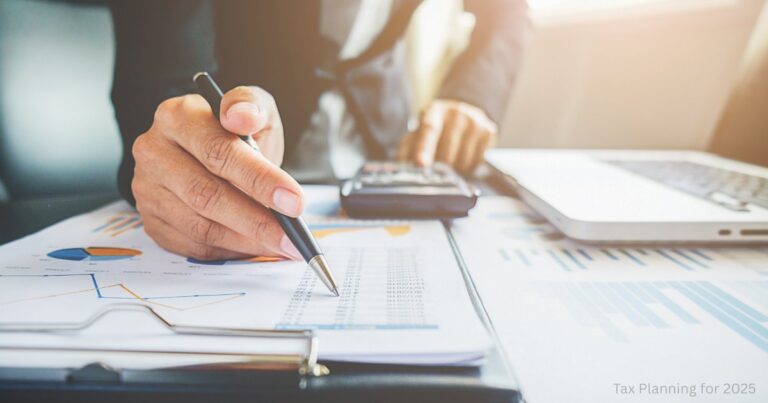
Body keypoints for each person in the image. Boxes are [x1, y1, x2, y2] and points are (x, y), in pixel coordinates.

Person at [110, 0, 527, 261]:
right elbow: (162, 75)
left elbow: (505, 9)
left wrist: (474, 96)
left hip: (389, 149)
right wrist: (178, 152)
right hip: (247, 146)